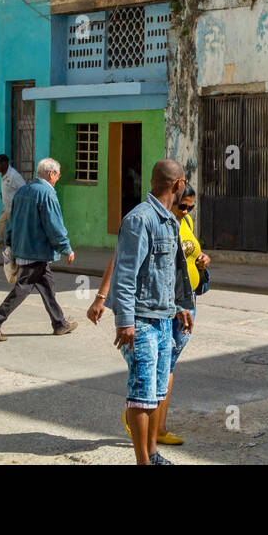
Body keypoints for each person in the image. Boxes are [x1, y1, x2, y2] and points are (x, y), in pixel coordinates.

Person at [89, 183, 209, 449]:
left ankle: (155, 435)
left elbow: (177, 263)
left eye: (191, 207)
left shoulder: (179, 221)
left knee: (167, 368)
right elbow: (123, 263)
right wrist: (106, 302)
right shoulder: (146, 220)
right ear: (175, 191)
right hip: (152, 312)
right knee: (148, 380)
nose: (187, 210)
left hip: (178, 306)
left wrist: (200, 261)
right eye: (183, 205)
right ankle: (148, 437)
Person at [108, 158, 194, 465]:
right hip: (141, 322)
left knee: (156, 393)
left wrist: (180, 307)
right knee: (141, 396)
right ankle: (142, 461)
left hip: (162, 319)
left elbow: (167, 274)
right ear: (177, 185)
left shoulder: (169, 221)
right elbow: (126, 273)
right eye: (183, 182)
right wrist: (125, 321)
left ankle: (153, 454)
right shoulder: (140, 220)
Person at [0, 157, 77, 340]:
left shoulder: (23, 191)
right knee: (23, 287)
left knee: (47, 286)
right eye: (57, 174)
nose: (59, 177)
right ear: (51, 174)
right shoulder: (47, 194)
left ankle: (59, 323)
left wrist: (9, 242)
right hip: (36, 250)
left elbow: (11, 220)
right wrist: (66, 248)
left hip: (24, 248)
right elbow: (54, 225)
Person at [0, 154, 26, 244]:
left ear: (5, 164)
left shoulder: (14, 175)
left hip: (15, 210)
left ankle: (13, 249)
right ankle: (9, 247)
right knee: (1, 227)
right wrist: (3, 195)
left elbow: (24, 189)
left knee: (13, 232)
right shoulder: (3, 174)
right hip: (7, 209)